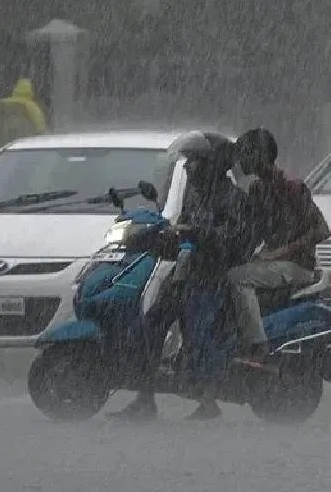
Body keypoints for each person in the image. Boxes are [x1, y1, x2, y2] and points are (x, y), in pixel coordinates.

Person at [109, 132, 255, 422]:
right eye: (187, 162)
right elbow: (183, 228)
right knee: (151, 324)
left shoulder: (234, 198)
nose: (188, 168)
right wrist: (162, 238)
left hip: (216, 277)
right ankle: (145, 398)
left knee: (200, 335)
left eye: (195, 162)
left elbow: (236, 242)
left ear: (212, 165)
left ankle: (209, 401)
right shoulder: (195, 194)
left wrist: (196, 234)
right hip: (187, 272)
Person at [228, 128, 331, 349]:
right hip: (272, 264)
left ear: (260, 155)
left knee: (238, 278)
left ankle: (258, 345)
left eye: (244, 154)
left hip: (297, 265)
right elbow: (253, 231)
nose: (240, 160)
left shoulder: (292, 187)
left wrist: (281, 251)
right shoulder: (257, 189)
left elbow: (322, 230)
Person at [0, 78, 48, 150]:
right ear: (31, 91)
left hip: (4, 140)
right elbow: (40, 125)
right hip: (24, 141)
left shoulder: (2, 103)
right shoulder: (31, 106)